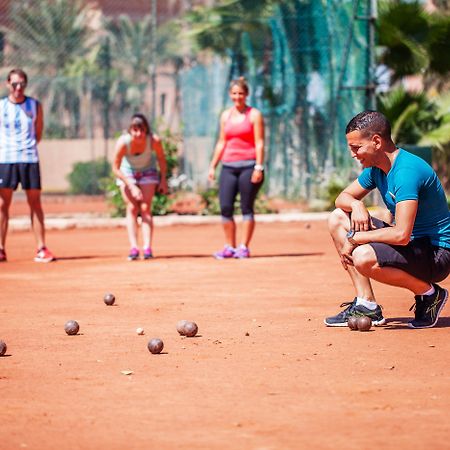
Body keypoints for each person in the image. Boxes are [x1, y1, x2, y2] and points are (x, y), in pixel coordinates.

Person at [325, 110, 450, 329]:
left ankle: (429, 294)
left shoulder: (407, 171)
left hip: (436, 254)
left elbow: (401, 235)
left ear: (376, 141)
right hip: (412, 244)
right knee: (337, 218)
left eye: (357, 148)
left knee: (363, 256)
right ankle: (367, 305)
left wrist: (355, 238)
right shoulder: (377, 170)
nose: (353, 154)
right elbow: (341, 198)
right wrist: (356, 205)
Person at [0, 68, 55, 263]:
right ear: (8, 84)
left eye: (22, 84)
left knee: (35, 203)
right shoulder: (1, 106)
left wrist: (27, 147)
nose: (18, 88)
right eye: (14, 84)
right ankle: (1, 249)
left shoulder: (34, 105)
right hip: (6, 159)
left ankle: (41, 248)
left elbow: (38, 132)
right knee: (2, 204)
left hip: (30, 158)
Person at [208, 77, 265, 259]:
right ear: (230, 95)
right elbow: (221, 142)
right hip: (228, 166)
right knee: (225, 207)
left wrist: (258, 167)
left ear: (246, 94)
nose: (237, 97)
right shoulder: (226, 115)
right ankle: (229, 247)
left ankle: (243, 247)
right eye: (234, 93)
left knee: (246, 207)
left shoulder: (254, 115)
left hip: (249, 165)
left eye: (241, 93)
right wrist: (213, 166)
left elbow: (260, 143)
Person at [112, 113, 168, 260]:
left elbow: (161, 159)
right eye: (135, 130)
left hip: (147, 171)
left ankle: (147, 248)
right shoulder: (123, 143)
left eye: (142, 130)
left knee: (145, 208)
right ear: (130, 131)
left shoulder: (154, 141)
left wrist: (163, 180)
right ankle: (134, 248)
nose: (139, 134)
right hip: (127, 173)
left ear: (146, 130)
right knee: (132, 208)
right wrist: (131, 185)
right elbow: (115, 168)